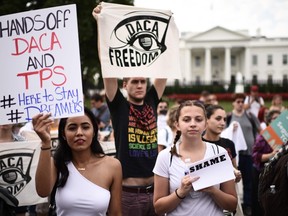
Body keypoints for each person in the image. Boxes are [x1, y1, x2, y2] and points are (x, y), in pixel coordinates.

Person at [93, 5, 167, 216]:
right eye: (134, 81)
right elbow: (106, 65)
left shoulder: (152, 99)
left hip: (156, 191)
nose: (140, 85)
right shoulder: (118, 105)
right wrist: (101, 24)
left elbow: (164, 68)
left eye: (143, 81)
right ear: (125, 85)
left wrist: (167, 33)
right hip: (128, 194)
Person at [32, 107, 122, 216]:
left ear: (94, 131)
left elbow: (116, 213)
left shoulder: (113, 166)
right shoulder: (56, 164)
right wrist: (45, 142)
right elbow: (42, 192)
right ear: (63, 134)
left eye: (85, 127)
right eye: (72, 128)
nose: (79, 133)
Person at [153, 100, 237, 216]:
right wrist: (181, 192)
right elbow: (158, 208)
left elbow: (232, 205)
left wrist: (212, 190)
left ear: (205, 124)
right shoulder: (165, 156)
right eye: (186, 120)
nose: (193, 124)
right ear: (177, 124)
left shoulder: (219, 153)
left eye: (198, 119)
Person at [227, 93, 261, 216]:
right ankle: (233, 206)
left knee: (248, 182)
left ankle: (247, 206)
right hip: (234, 156)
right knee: (231, 181)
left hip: (248, 155)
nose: (240, 104)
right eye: (238, 101)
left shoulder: (250, 116)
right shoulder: (229, 117)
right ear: (233, 103)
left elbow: (260, 131)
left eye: (242, 101)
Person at [252, 109, 281, 216]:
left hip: (279, 175)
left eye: (279, 118)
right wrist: (272, 155)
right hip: (263, 173)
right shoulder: (264, 136)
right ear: (269, 121)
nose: (278, 120)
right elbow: (255, 156)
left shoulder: (285, 136)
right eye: (274, 118)